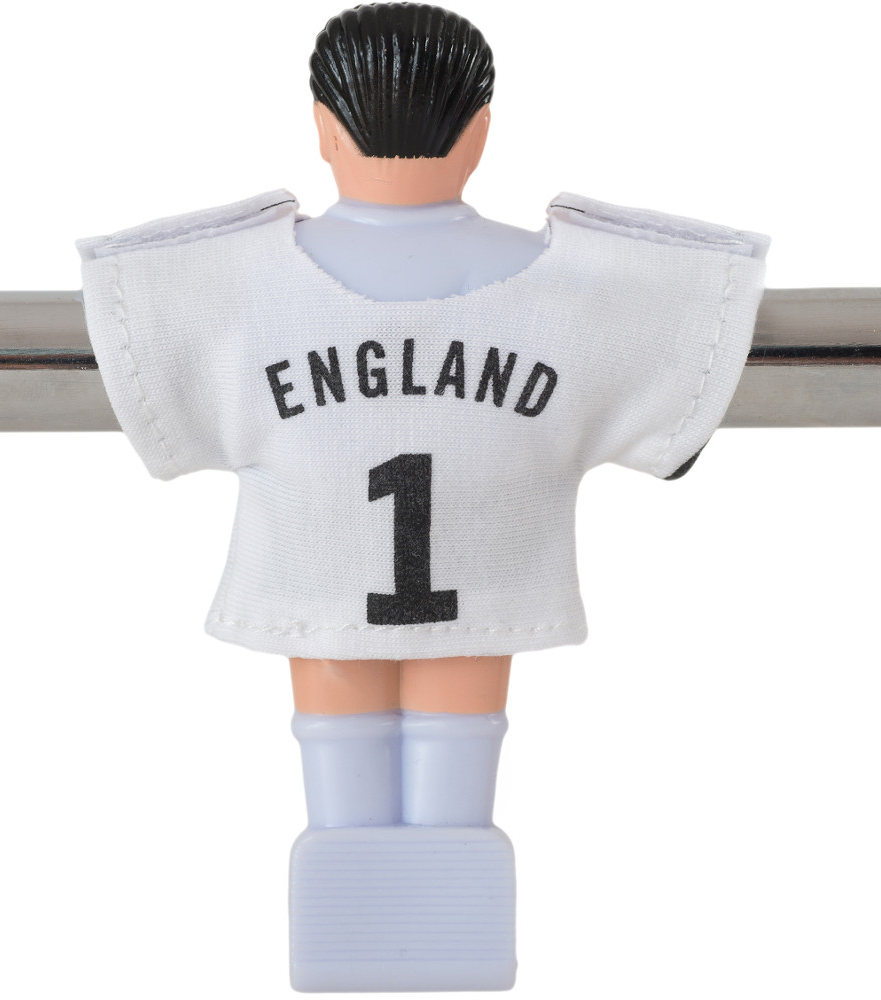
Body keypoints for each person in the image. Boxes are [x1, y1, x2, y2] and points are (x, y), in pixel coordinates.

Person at [78, 3, 768, 990]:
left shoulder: (233, 286)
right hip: (479, 588)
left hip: (321, 583)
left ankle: (354, 930)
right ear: (479, 135)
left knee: (336, 743)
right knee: (459, 740)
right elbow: (673, 356)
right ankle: (447, 932)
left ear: (324, 131)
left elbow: (155, 345)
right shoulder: (572, 289)